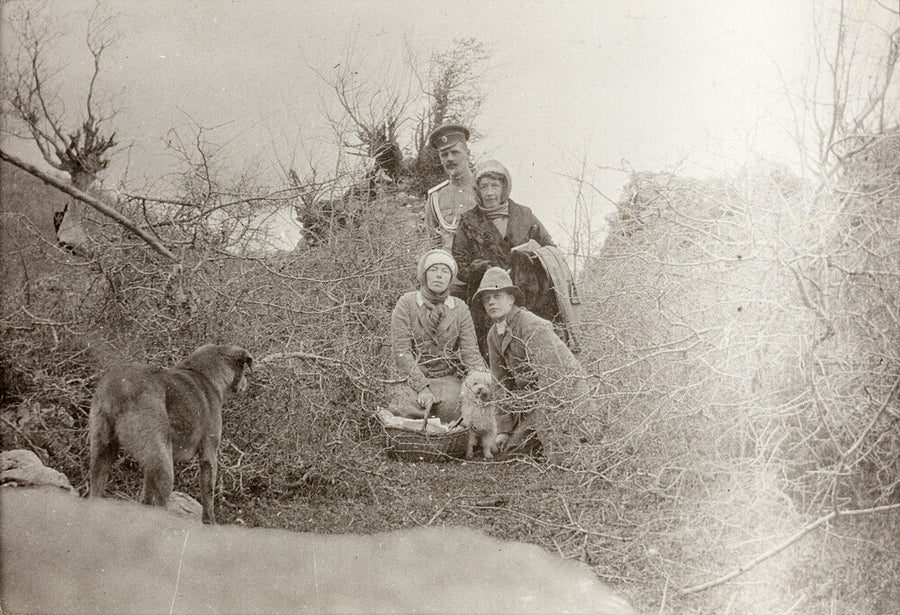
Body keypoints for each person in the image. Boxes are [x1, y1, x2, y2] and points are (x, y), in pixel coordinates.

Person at [474, 267, 589, 458]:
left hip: (565, 396)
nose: (491, 302)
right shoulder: (493, 335)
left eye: (497, 296)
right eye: (486, 299)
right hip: (534, 401)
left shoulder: (530, 324)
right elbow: (501, 383)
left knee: (551, 452)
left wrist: (545, 425)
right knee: (511, 452)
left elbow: (554, 376)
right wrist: (504, 429)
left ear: (511, 299)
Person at [452, 159, 555, 355]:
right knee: (494, 353)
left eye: (495, 186)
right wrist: (485, 269)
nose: (490, 192)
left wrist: (530, 255)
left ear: (504, 187)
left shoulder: (524, 215)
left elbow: (550, 248)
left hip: (529, 298)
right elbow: (460, 265)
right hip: (487, 303)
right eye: (484, 187)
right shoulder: (467, 221)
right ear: (477, 190)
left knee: (532, 349)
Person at [388, 249, 488, 423]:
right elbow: (401, 352)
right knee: (402, 407)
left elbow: (470, 352)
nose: (439, 276)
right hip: (411, 377)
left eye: (445, 271)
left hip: (446, 379)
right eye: (434, 270)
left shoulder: (460, 308)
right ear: (424, 275)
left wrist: (484, 381)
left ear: (450, 278)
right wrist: (421, 387)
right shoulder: (407, 303)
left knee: (457, 408)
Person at [424, 124, 478, 254]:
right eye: (444, 155)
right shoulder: (436, 198)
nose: (450, 159)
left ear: (467, 153)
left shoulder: (484, 189)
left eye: (455, 152)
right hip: (449, 270)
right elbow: (433, 243)